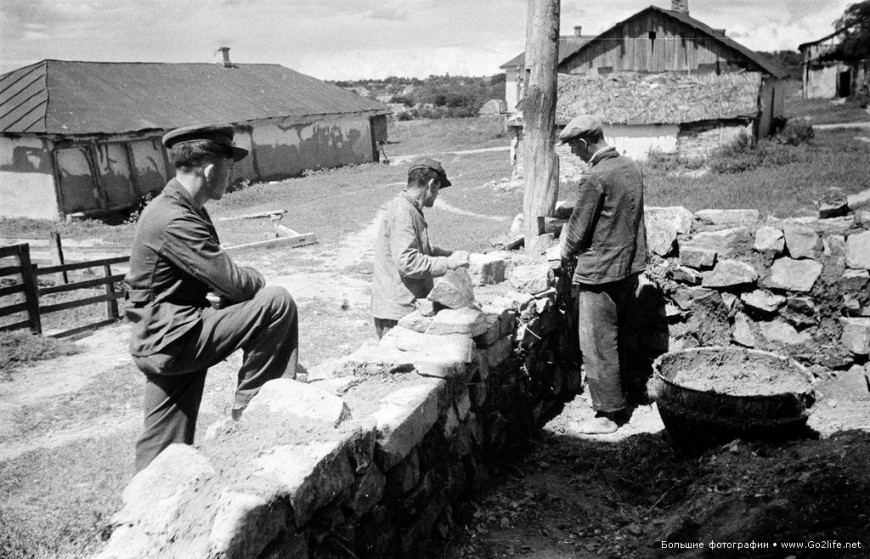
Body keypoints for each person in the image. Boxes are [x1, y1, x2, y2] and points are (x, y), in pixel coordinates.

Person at [124, 123, 299, 472]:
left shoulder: (180, 207)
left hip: (162, 337)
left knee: (162, 444)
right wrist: (255, 278)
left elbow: (205, 277)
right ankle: (257, 412)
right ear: (208, 168)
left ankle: (140, 511)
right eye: (229, 165)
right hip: (174, 338)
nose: (231, 175)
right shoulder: (174, 217)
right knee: (276, 302)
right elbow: (235, 283)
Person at [558, 115, 648, 434]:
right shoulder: (629, 167)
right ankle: (619, 397)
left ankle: (610, 414)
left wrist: (562, 253)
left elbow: (578, 231)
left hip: (600, 272)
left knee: (597, 343)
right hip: (627, 268)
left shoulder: (595, 176)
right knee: (616, 337)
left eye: (573, 148)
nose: (573, 154)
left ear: (585, 143)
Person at [371, 156, 469, 338]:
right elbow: (407, 261)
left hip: (402, 309)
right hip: (397, 314)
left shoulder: (410, 209)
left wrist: (448, 255)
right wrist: (447, 263)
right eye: (438, 188)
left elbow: (418, 249)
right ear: (431, 184)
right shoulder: (403, 212)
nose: (438, 194)